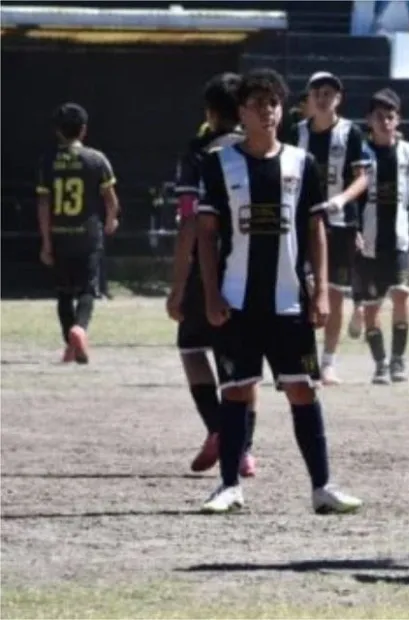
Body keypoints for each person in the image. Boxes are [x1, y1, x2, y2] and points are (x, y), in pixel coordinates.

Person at [194, 68, 362, 514]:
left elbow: (315, 228)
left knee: (303, 391)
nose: (266, 111)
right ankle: (229, 486)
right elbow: (206, 234)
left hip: (290, 302)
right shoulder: (219, 164)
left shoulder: (300, 162)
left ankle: (322, 486)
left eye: (272, 103)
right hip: (237, 301)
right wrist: (210, 294)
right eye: (256, 104)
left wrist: (321, 290)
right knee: (234, 391)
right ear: (241, 113)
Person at [167, 73, 259, 476]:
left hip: (210, 266)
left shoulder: (199, 153)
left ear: (209, 112)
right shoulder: (262, 149)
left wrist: (176, 285)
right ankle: (246, 448)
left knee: (191, 348)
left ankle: (219, 429)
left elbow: (190, 221)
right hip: (256, 267)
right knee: (243, 363)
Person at [288, 72, 370, 386]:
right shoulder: (297, 133)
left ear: (338, 98)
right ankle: (305, 358)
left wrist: (341, 200)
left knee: (334, 294)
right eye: (317, 92)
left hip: (339, 223)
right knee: (305, 290)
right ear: (309, 97)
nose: (323, 98)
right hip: (303, 224)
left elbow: (362, 177)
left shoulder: (351, 134)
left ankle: (328, 362)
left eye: (329, 93)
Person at [36, 103, 120, 365]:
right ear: (83, 130)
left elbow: (43, 205)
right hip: (88, 235)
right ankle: (80, 329)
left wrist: (46, 242)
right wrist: (111, 220)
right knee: (87, 290)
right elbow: (111, 199)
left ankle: (70, 343)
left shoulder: (47, 162)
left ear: (57, 131)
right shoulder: (96, 159)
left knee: (63, 293)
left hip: (60, 235)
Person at [356, 89, 409, 385]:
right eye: (379, 117)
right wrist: (355, 230)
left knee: (402, 294)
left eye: (390, 116)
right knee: (371, 305)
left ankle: (398, 359)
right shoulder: (360, 154)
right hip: (369, 241)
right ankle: (380, 362)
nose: (385, 122)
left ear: (398, 119)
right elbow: (352, 197)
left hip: (399, 239)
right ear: (369, 120)